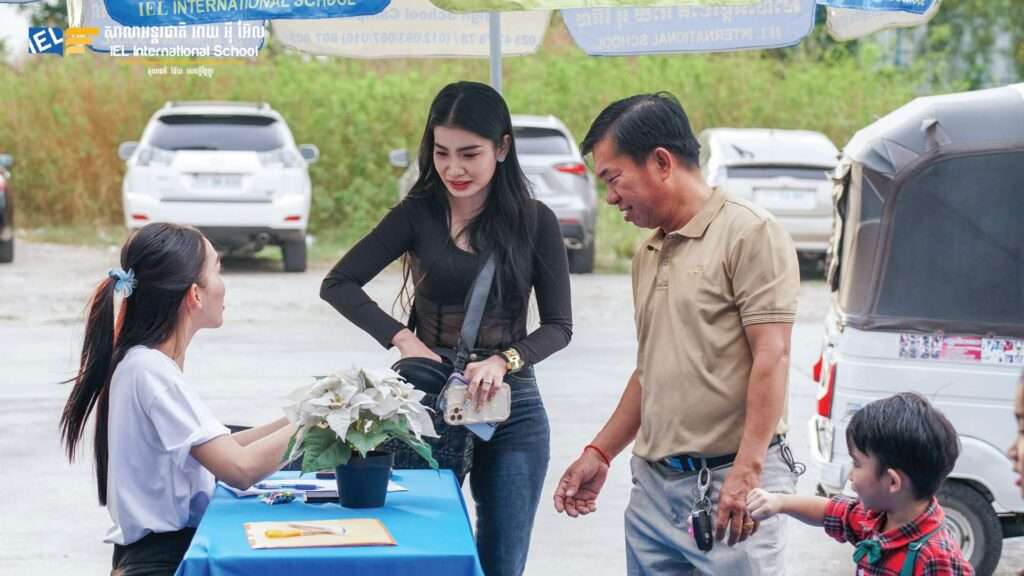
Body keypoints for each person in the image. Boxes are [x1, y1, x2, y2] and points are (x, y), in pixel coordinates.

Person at [320, 80, 572, 576]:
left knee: (502, 561)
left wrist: (506, 360)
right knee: (418, 552)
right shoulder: (418, 214)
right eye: (441, 152)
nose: (453, 168)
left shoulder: (535, 222)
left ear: (502, 148)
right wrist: (403, 339)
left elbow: (560, 326)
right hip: (426, 403)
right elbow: (339, 283)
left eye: (469, 154)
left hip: (512, 408)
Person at [552, 92, 800, 575]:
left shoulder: (750, 234)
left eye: (613, 178)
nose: (610, 198)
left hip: (732, 487)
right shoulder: (649, 251)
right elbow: (653, 369)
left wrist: (747, 472)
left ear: (661, 162)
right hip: (654, 492)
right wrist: (599, 452)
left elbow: (774, 356)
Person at [59, 223, 296, 576]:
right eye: (218, 269)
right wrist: (323, 417)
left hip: (153, 556)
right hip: (163, 562)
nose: (224, 284)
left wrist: (304, 412)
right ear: (194, 294)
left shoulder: (142, 363)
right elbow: (240, 468)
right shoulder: (151, 372)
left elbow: (221, 447)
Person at [747, 392, 973, 575]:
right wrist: (779, 502)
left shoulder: (936, 558)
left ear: (892, 482)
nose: (851, 475)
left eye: (857, 464)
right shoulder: (876, 518)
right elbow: (829, 511)